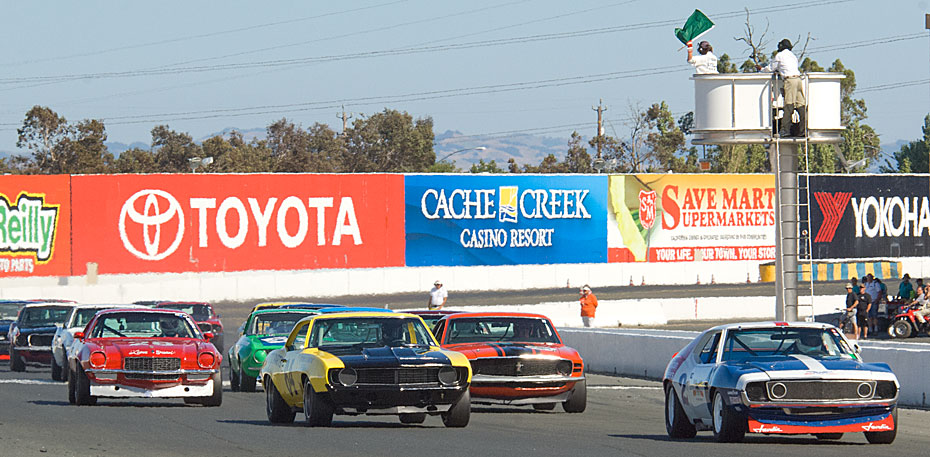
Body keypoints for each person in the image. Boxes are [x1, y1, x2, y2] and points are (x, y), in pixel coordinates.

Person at [758, 39, 805, 137]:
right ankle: (803, 129)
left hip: (789, 81)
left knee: (788, 106)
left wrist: (761, 69)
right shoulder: (792, 56)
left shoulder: (780, 56)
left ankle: (785, 130)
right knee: (801, 106)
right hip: (798, 80)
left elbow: (770, 68)